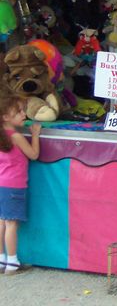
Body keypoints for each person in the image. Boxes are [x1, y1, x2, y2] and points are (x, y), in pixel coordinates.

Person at [0, 96, 40, 276]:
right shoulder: (15, 136)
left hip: (2, 184)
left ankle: (2, 259)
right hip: (14, 186)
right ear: (5, 117)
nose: (24, 114)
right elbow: (33, 154)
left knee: (1, 222)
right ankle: (13, 262)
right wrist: (35, 135)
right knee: (11, 225)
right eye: (19, 111)